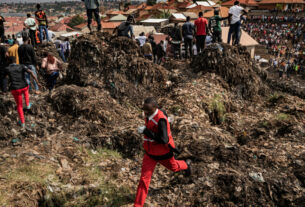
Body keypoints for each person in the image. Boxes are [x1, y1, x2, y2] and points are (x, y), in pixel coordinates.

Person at [134, 97, 191, 207]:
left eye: (148, 110)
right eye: (144, 109)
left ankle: (186, 165)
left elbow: (164, 139)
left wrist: (146, 131)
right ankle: (137, 205)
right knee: (144, 180)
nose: (145, 112)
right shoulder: (152, 113)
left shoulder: (161, 120)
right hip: (150, 154)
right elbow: (164, 115)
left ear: (155, 108)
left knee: (174, 167)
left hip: (163, 154)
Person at [4, 56, 40, 127]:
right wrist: (37, 82)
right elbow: (31, 72)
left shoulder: (7, 69)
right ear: (16, 61)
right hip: (24, 86)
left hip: (15, 89)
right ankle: (27, 104)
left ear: (8, 61)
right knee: (26, 89)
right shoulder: (21, 66)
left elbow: (4, 78)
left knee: (19, 105)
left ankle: (22, 122)